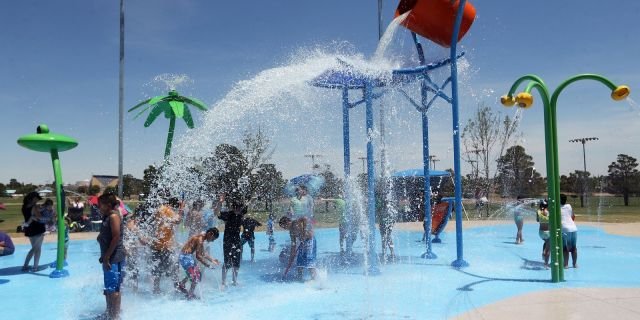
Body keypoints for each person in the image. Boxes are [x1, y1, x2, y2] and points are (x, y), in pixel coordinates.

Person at [96, 193, 126, 320]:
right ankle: (109, 312)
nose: (99, 207)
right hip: (108, 258)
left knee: (114, 289)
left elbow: (116, 237)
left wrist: (107, 256)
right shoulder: (107, 216)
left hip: (114, 258)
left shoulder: (113, 216)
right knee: (109, 288)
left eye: (101, 205)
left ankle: (115, 316)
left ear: (108, 205)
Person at [177, 228, 220, 299]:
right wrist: (207, 265)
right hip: (185, 257)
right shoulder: (200, 240)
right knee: (196, 276)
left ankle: (181, 285)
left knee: (195, 274)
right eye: (213, 239)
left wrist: (212, 260)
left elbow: (203, 253)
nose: (212, 241)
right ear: (210, 234)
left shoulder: (202, 237)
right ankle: (190, 295)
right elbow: (198, 256)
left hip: (186, 257)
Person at [150, 198, 182, 294]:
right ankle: (176, 288)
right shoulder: (168, 210)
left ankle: (156, 289)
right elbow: (178, 221)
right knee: (174, 267)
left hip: (156, 244)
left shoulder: (160, 209)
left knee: (157, 269)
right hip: (165, 246)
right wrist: (182, 208)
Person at [216, 194, 244, 288]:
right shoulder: (228, 214)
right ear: (233, 208)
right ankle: (223, 282)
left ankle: (234, 281)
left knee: (237, 262)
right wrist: (220, 202)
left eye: (239, 208)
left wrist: (252, 199)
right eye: (236, 208)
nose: (238, 210)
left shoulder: (241, 213)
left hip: (237, 240)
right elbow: (216, 213)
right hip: (228, 240)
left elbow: (248, 205)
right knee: (227, 261)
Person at [279, 216, 317, 281]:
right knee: (300, 260)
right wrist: (291, 257)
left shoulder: (295, 222)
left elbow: (305, 218)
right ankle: (299, 278)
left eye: (284, 226)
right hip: (302, 243)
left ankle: (314, 279)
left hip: (310, 241)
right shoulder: (291, 232)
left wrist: (304, 231)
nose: (284, 228)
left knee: (309, 260)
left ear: (288, 222)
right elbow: (293, 245)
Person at [22, 191, 46, 272]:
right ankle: (35, 267)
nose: (37, 200)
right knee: (37, 249)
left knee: (34, 248)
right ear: (32, 199)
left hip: (29, 229)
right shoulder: (34, 207)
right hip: (37, 228)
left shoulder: (24, 207)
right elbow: (39, 217)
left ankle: (25, 265)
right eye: (36, 199)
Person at [560, 194, 578, 269]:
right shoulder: (569, 206)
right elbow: (573, 216)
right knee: (573, 248)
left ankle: (566, 264)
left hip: (565, 228)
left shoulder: (557, 208)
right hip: (573, 228)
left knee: (565, 248)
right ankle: (575, 264)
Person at [536, 199, 550, 268]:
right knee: (548, 249)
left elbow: (537, 220)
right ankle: (546, 264)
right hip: (548, 233)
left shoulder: (538, 212)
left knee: (546, 242)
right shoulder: (549, 212)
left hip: (541, 232)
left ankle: (543, 252)